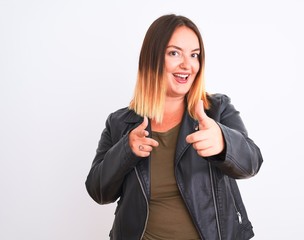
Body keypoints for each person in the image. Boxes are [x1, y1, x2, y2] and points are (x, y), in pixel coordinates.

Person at [85, 14, 263, 240]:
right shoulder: (120, 123)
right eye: (174, 53)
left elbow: (251, 162)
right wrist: (125, 150)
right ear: (152, 58)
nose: (187, 65)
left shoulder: (216, 110)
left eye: (194, 55)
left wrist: (223, 141)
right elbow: (99, 191)